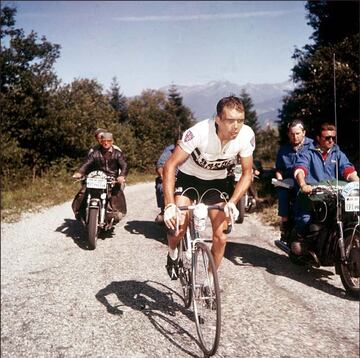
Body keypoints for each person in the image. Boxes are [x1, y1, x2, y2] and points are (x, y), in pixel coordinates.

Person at [162, 96, 255, 280]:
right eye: (230, 121)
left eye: (240, 121)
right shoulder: (198, 132)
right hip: (189, 179)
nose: (236, 126)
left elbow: (247, 173)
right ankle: (172, 253)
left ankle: (210, 280)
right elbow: (170, 166)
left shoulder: (246, 135)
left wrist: (233, 202)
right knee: (178, 227)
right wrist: (169, 205)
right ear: (218, 119)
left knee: (221, 237)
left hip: (216, 183)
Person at [291, 122, 359, 256]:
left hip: (331, 194)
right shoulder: (308, 151)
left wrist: (357, 181)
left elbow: (347, 169)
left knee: (348, 217)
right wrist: (304, 185)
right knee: (305, 220)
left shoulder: (336, 152)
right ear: (318, 138)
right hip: (311, 195)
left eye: (333, 137)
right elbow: (300, 169)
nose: (331, 140)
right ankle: (299, 242)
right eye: (327, 138)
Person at [72, 132, 128, 222]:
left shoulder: (117, 154)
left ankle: (117, 212)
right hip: (97, 177)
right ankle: (79, 212)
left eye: (108, 141)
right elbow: (87, 163)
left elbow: (124, 165)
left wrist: (122, 176)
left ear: (112, 142)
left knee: (116, 193)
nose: (106, 143)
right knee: (82, 192)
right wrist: (80, 172)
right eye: (104, 141)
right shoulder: (95, 153)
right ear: (101, 142)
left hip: (111, 178)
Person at [275, 120, 312, 241]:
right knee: (282, 191)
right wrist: (280, 181)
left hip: (308, 180)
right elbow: (279, 169)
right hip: (290, 181)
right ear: (288, 134)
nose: (295, 136)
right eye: (292, 134)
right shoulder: (284, 150)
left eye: (298, 133)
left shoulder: (312, 146)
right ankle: (285, 222)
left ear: (304, 133)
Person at [154, 140, 180, 224]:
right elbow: (160, 166)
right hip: (171, 178)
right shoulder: (169, 151)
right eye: (178, 144)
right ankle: (165, 209)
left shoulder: (193, 151)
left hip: (186, 179)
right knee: (162, 187)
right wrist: (163, 175)